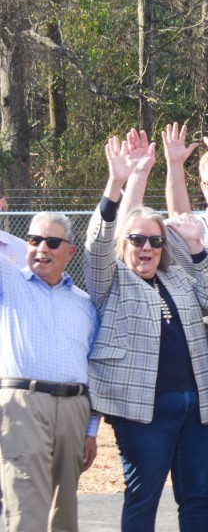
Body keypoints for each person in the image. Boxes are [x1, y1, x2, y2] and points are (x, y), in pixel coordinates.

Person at [84, 131, 208, 531]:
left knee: (197, 498)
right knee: (143, 496)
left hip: (199, 408)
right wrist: (117, 184)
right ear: (124, 243)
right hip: (142, 412)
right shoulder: (111, 280)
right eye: (137, 239)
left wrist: (195, 247)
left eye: (155, 241)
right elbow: (97, 245)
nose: (146, 247)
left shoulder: (177, 278)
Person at [0, 211, 98, 532]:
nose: (42, 248)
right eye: (34, 240)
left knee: (64, 515)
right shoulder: (9, 282)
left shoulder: (85, 303)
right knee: (26, 510)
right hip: (24, 406)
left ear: (70, 252)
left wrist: (91, 429)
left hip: (74, 410)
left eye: (52, 242)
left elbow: (93, 368)